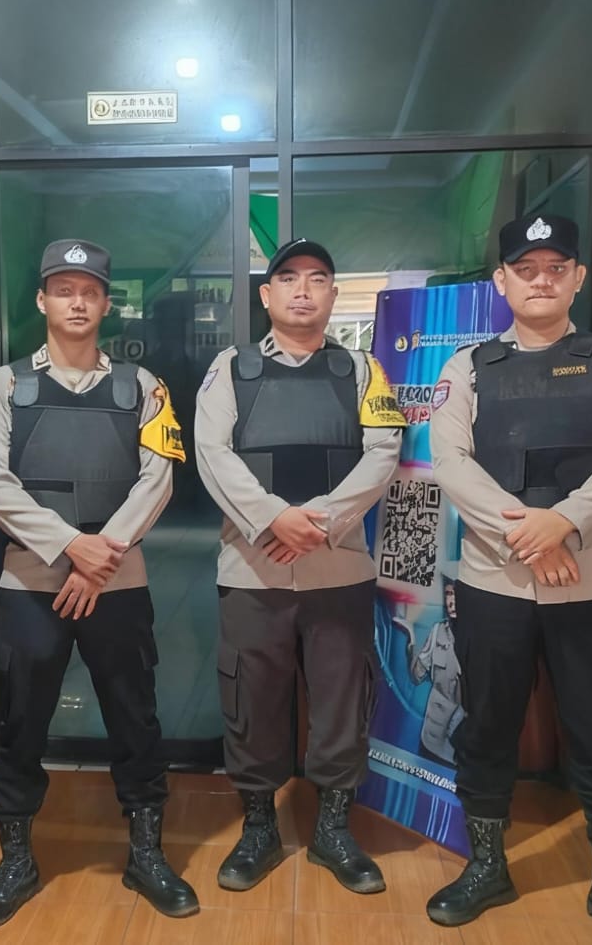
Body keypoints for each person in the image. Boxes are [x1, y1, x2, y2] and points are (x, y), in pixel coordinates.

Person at [426, 213, 592, 945]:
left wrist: (563, 521)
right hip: (493, 585)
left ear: (577, 277)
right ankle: (487, 866)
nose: (541, 280)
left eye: (555, 268)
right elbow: (452, 462)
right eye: (525, 269)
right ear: (501, 280)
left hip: (587, 586)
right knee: (486, 725)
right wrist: (531, 536)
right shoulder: (467, 368)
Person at [0, 239, 195, 929]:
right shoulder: (4, 385)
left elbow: (158, 478)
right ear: (41, 299)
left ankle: (146, 853)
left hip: (118, 578)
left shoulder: (144, 387)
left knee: (135, 713)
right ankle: (15, 860)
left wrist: (103, 555)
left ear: (105, 303)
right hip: (30, 578)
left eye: (89, 290)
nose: (76, 301)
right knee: (20, 720)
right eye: (63, 289)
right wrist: (72, 547)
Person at [193, 238, 404, 895]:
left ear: (334, 295)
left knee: (342, 698)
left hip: (337, 569)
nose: (303, 290)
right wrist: (270, 519)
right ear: (267, 295)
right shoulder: (231, 369)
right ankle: (259, 824)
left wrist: (318, 522)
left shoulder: (363, 371)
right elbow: (211, 452)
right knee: (250, 697)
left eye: (317, 278)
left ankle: (334, 829)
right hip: (252, 568)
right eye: (288, 278)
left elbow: (384, 451)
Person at [391, 578, 464, 764]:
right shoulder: (438, 631)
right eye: (448, 594)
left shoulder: (477, 641)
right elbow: (416, 676)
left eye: (456, 595)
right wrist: (410, 638)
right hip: (427, 743)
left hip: (453, 751)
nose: (451, 601)